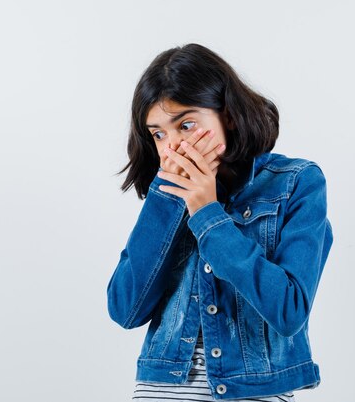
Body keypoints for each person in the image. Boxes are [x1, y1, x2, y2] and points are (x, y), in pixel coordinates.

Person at [106, 43, 334, 401]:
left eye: (186, 124)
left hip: (253, 391)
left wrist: (207, 214)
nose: (173, 148)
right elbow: (125, 309)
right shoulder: (167, 195)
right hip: (162, 389)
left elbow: (288, 310)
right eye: (159, 134)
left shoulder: (296, 183)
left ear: (227, 115)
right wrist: (166, 201)